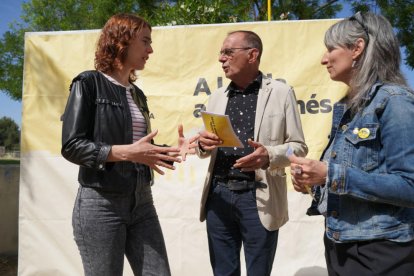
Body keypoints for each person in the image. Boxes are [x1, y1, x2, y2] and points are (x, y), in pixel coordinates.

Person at [61, 13, 193, 276]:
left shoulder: (137, 95)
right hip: (101, 203)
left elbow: (142, 150)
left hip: (142, 202)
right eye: (145, 41)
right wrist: (127, 152)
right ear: (123, 40)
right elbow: (72, 145)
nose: (150, 49)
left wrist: (174, 150)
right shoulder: (88, 83)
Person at [289, 12, 414, 275]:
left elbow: (409, 185)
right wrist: (316, 181)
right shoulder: (349, 108)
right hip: (341, 245)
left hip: (382, 252)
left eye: (330, 49)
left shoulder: (395, 102)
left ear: (357, 48)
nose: (324, 59)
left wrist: (331, 174)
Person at [196, 30, 308, 276]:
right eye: (221, 53)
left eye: (228, 52)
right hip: (219, 196)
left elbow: (298, 147)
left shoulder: (280, 93)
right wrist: (201, 144)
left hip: (258, 197)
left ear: (252, 54)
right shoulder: (216, 97)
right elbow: (202, 146)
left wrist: (269, 154)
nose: (221, 59)